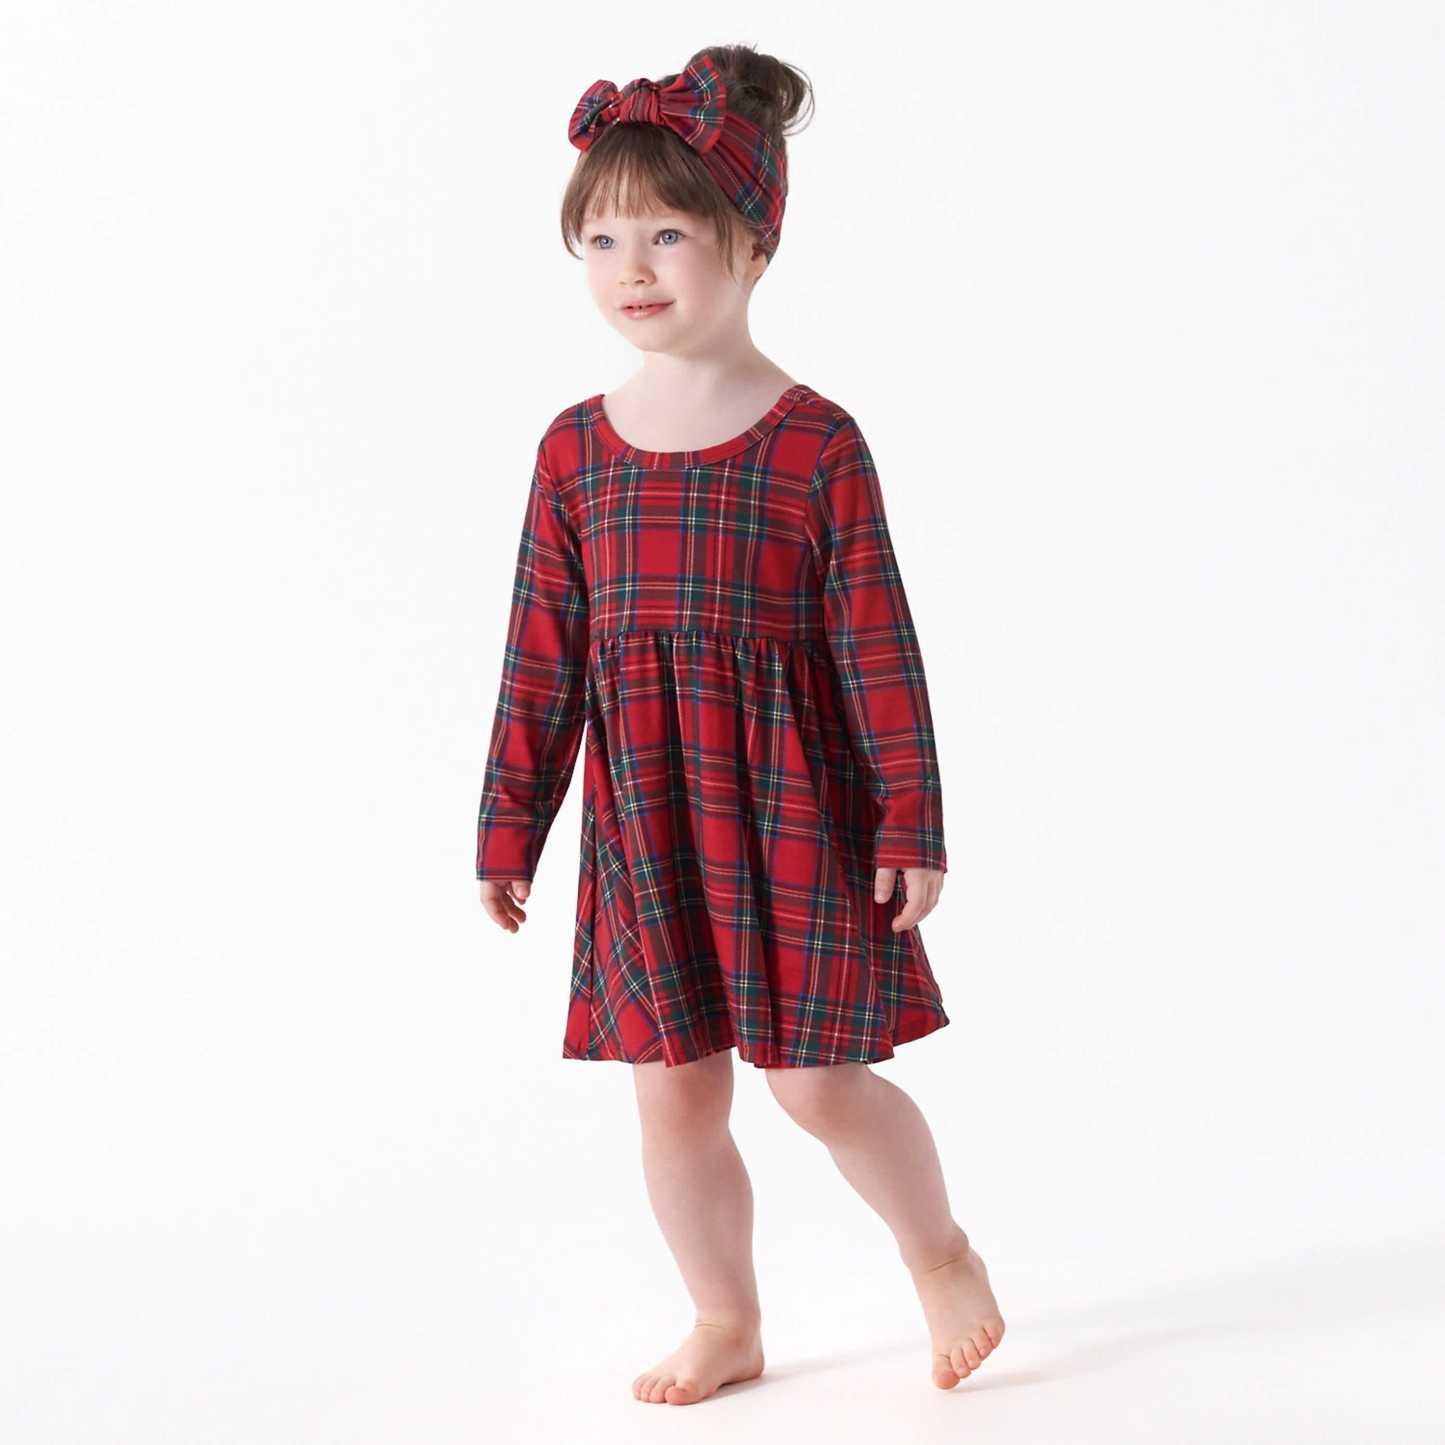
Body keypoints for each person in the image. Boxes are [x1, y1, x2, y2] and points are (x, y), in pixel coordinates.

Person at [475, 44, 1004, 1405]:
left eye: (667, 232)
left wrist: (910, 819)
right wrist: (509, 827)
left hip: (790, 816)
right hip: (650, 823)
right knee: (671, 1090)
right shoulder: (573, 452)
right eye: (602, 239)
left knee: (818, 1083)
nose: (631, 267)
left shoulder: (815, 443)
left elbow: (877, 644)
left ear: (752, 242)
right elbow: (542, 656)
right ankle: (725, 1318)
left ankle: (940, 1251)